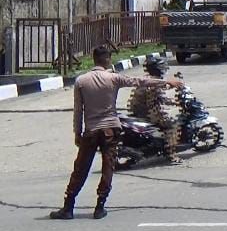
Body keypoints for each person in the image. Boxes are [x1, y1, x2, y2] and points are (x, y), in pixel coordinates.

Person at [50, 46, 181, 221]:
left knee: (80, 169)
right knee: (108, 168)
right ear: (107, 60)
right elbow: (138, 81)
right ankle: (99, 207)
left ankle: (68, 208)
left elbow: (78, 111)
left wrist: (77, 133)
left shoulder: (81, 81)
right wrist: (165, 83)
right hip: (111, 130)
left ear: (94, 59)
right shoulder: (113, 78)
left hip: (91, 131)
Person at [128, 57, 182, 164]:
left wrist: (173, 102)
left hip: (138, 110)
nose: (164, 70)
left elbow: (159, 98)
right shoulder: (154, 83)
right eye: (162, 67)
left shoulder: (148, 79)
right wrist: (164, 115)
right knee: (173, 125)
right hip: (146, 112)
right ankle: (171, 155)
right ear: (158, 69)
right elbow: (152, 104)